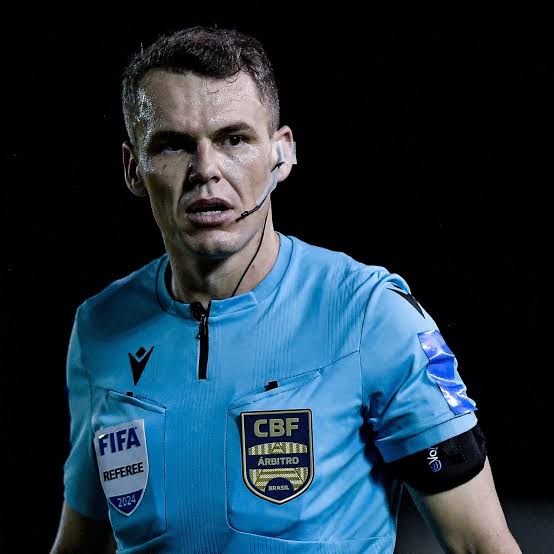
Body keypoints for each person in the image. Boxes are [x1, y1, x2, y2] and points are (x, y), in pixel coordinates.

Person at [51, 26, 520, 554]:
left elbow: (481, 544)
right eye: (174, 144)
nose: (206, 170)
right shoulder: (100, 329)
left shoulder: (368, 314)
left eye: (234, 139)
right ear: (133, 168)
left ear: (282, 154)